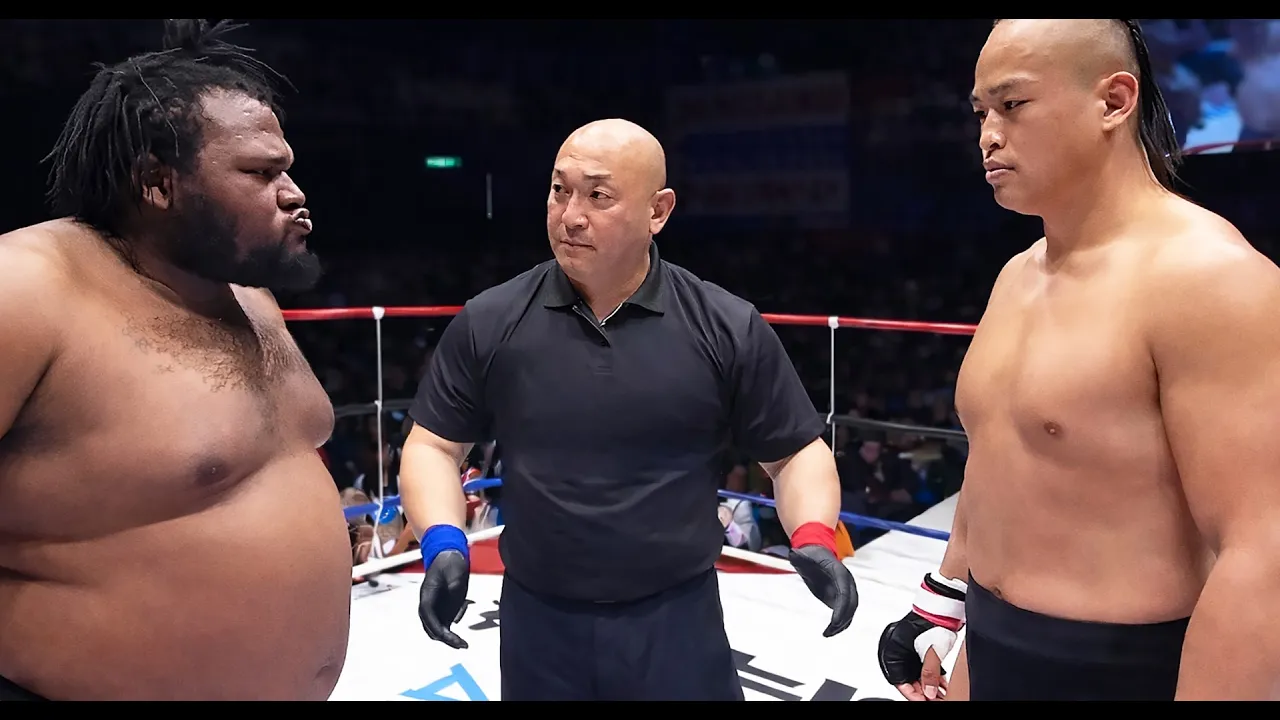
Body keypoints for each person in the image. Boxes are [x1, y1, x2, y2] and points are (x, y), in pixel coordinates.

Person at [877, 19, 1280, 701]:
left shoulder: (1213, 280)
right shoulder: (1015, 276)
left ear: (1113, 102)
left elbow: (1264, 551)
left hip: (1124, 670)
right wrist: (944, 597)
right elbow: (999, 456)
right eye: (980, 113)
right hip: (992, 641)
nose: (988, 135)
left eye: (1012, 104)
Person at [399, 118, 858, 701]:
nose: (570, 215)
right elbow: (433, 445)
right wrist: (443, 540)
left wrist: (813, 533)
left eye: (598, 196)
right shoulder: (491, 320)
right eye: (559, 190)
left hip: (677, 620)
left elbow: (794, 453)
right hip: (539, 621)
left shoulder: (726, 325)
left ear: (657, 211)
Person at [0, 20, 353, 700]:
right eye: (260, 172)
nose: (293, 192)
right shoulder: (29, 286)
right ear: (157, 183)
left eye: (286, 168)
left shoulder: (250, 297)